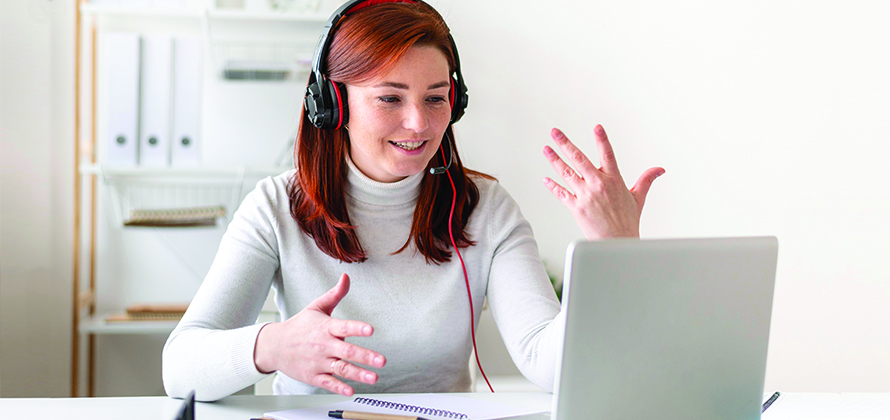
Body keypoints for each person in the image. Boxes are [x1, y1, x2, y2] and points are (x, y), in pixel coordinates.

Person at [162, 0, 664, 402]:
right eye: (390, 98)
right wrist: (270, 346)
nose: (420, 124)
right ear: (334, 104)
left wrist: (615, 248)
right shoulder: (276, 206)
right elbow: (179, 365)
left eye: (435, 96)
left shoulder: (486, 209)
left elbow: (545, 360)